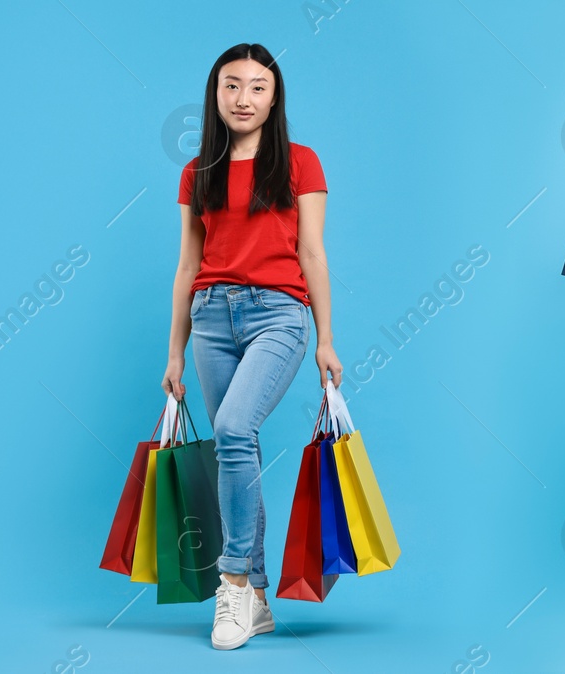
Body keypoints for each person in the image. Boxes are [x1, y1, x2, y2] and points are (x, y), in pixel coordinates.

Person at [161, 43, 343, 651]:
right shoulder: (197, 172)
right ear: (215, 95)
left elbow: (312, 253)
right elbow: (188, 266)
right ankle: (259, 599)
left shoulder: (300, 163)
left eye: (258, 87)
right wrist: (174, 354)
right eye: (232, 86)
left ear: (275, 96)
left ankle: (233, 580)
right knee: (233, 447)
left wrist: (325, 337)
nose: (244, 98)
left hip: (278, 314)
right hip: (211, 318)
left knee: (236, 430)